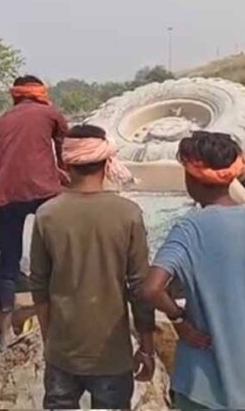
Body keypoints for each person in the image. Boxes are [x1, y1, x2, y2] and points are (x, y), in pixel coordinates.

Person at [141, 131, 245, 410]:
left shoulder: (189, 230)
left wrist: (178, 320)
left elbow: (151, 288)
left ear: (193, 178)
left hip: (201, 386)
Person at [29, 124, 155, 409]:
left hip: (62, 353)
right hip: (112, 355)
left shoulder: (47, 214)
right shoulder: (128, 214)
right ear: (107, 162)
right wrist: (147, 348)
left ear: (65, 164)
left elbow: (39, 284)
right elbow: (140, 287)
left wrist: (50, 341)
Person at [0, 75, 68, 348]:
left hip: (6, 196)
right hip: (46, 193)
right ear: (40, 94)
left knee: (8, 264)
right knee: (59, 257)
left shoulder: (0, 123)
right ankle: (60, 322)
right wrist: (66, 176)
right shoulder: (51, 114)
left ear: (15, 96)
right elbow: (66, 154)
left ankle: (5, 333)